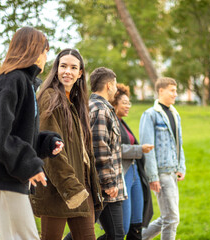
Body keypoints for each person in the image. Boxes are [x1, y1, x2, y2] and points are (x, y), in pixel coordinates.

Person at [0, 26, 64, 240]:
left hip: (6, 174)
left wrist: (46, 142)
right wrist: (27, 164)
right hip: (3, 174)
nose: (47, 56)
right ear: (35, 50)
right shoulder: (12, 80)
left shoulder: (23, 83)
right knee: (24, 237)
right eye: (46, 49)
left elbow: (16, 133)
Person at [30, 49, 103, 240]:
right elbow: (50, 149)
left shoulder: (77, 102)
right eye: (63, 66)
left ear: (80, 74)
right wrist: (71, 187)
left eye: (73, 68)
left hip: (80, 184)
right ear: (56, 69)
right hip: (57, 186)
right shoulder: (50, 97)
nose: (67, 71)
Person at [139, 77, 186, 240]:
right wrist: (153, 177)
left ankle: (136, 238)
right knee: (172, 219)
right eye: (172, 90)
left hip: (173, 172)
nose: (175, 94)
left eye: (176, 90)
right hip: (161, 173)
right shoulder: (150, 115)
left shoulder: (175, 114)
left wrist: (181, 167)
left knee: (168, 218)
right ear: (161, 91)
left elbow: (178, 143)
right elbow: (147, 149)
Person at [110, 84, 154, 240]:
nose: (128, 106)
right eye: (124, 103)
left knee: (137, 224)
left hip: (134, 174)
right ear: (114, 103)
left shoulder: (122, 122)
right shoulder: (112, 122)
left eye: (129, 102)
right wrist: (140, 149)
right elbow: (115, 148)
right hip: (124, 175)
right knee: (123, 226)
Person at [89, 67, 126, 240]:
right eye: (115, 85)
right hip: (104, 187)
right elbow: (99, 148)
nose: (116, 90)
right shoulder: (101, 109)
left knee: (113, 234)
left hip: (103, 186)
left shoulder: (95, 106)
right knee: (116, 235)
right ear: (109, 85)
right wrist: (109, 182)